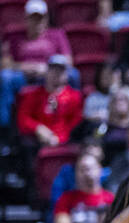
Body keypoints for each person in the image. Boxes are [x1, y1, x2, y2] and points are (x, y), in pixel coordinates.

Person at [0, 0, 72, 131]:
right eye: (33, 18)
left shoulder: (57, 35)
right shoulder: (14, 37)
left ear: (46, 18)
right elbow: (5, 63)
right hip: (23, 76)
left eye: (40, 18)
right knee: (5, 77)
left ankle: (69, 118)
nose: (37, 22)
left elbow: (68, 61)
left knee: (73, 75)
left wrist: (48, 69)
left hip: (50, 74)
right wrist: (26, 67)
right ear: (26, 19)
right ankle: (4, 127)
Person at [16, 55, 81, 150]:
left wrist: (58, 137)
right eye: (53, 70)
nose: (56, 73)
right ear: (47, 72)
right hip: (37, 143)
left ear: (66, 75)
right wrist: (38, 128)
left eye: (60, 71)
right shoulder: (33, 95)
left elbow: (75, 123)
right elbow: (23, 118)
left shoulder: (74, 97)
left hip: (64, 143)